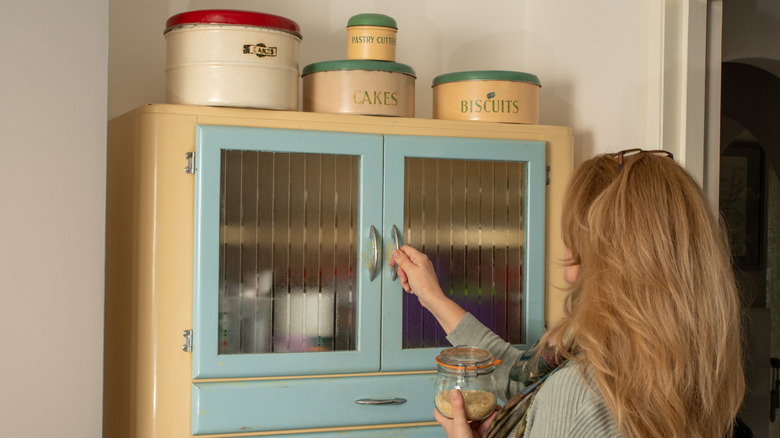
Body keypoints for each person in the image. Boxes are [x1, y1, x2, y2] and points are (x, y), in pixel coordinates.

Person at [391, 149, 746, 438]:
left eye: (573, 231)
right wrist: (432, 297)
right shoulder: (685, 371)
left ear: (608, 252)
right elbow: (520, 374)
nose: (562, 244)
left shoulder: (579, 393)